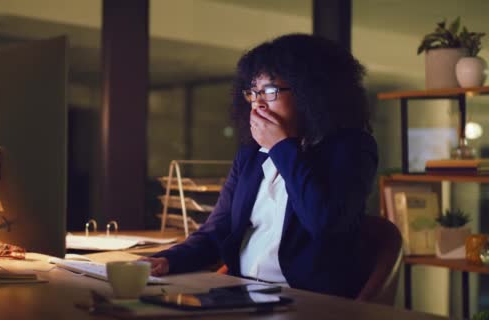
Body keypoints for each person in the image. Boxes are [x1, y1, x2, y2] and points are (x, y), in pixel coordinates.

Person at [143, 34, 378, 298]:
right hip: (239, 293)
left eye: (269, 90)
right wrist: (167, 260)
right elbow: (218, 230)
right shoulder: (251, 155)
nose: (258, 102)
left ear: (310, 92)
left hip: (304, 300)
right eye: (253, 92)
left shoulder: (352, 148)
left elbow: (325, 224)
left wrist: (282, 147)